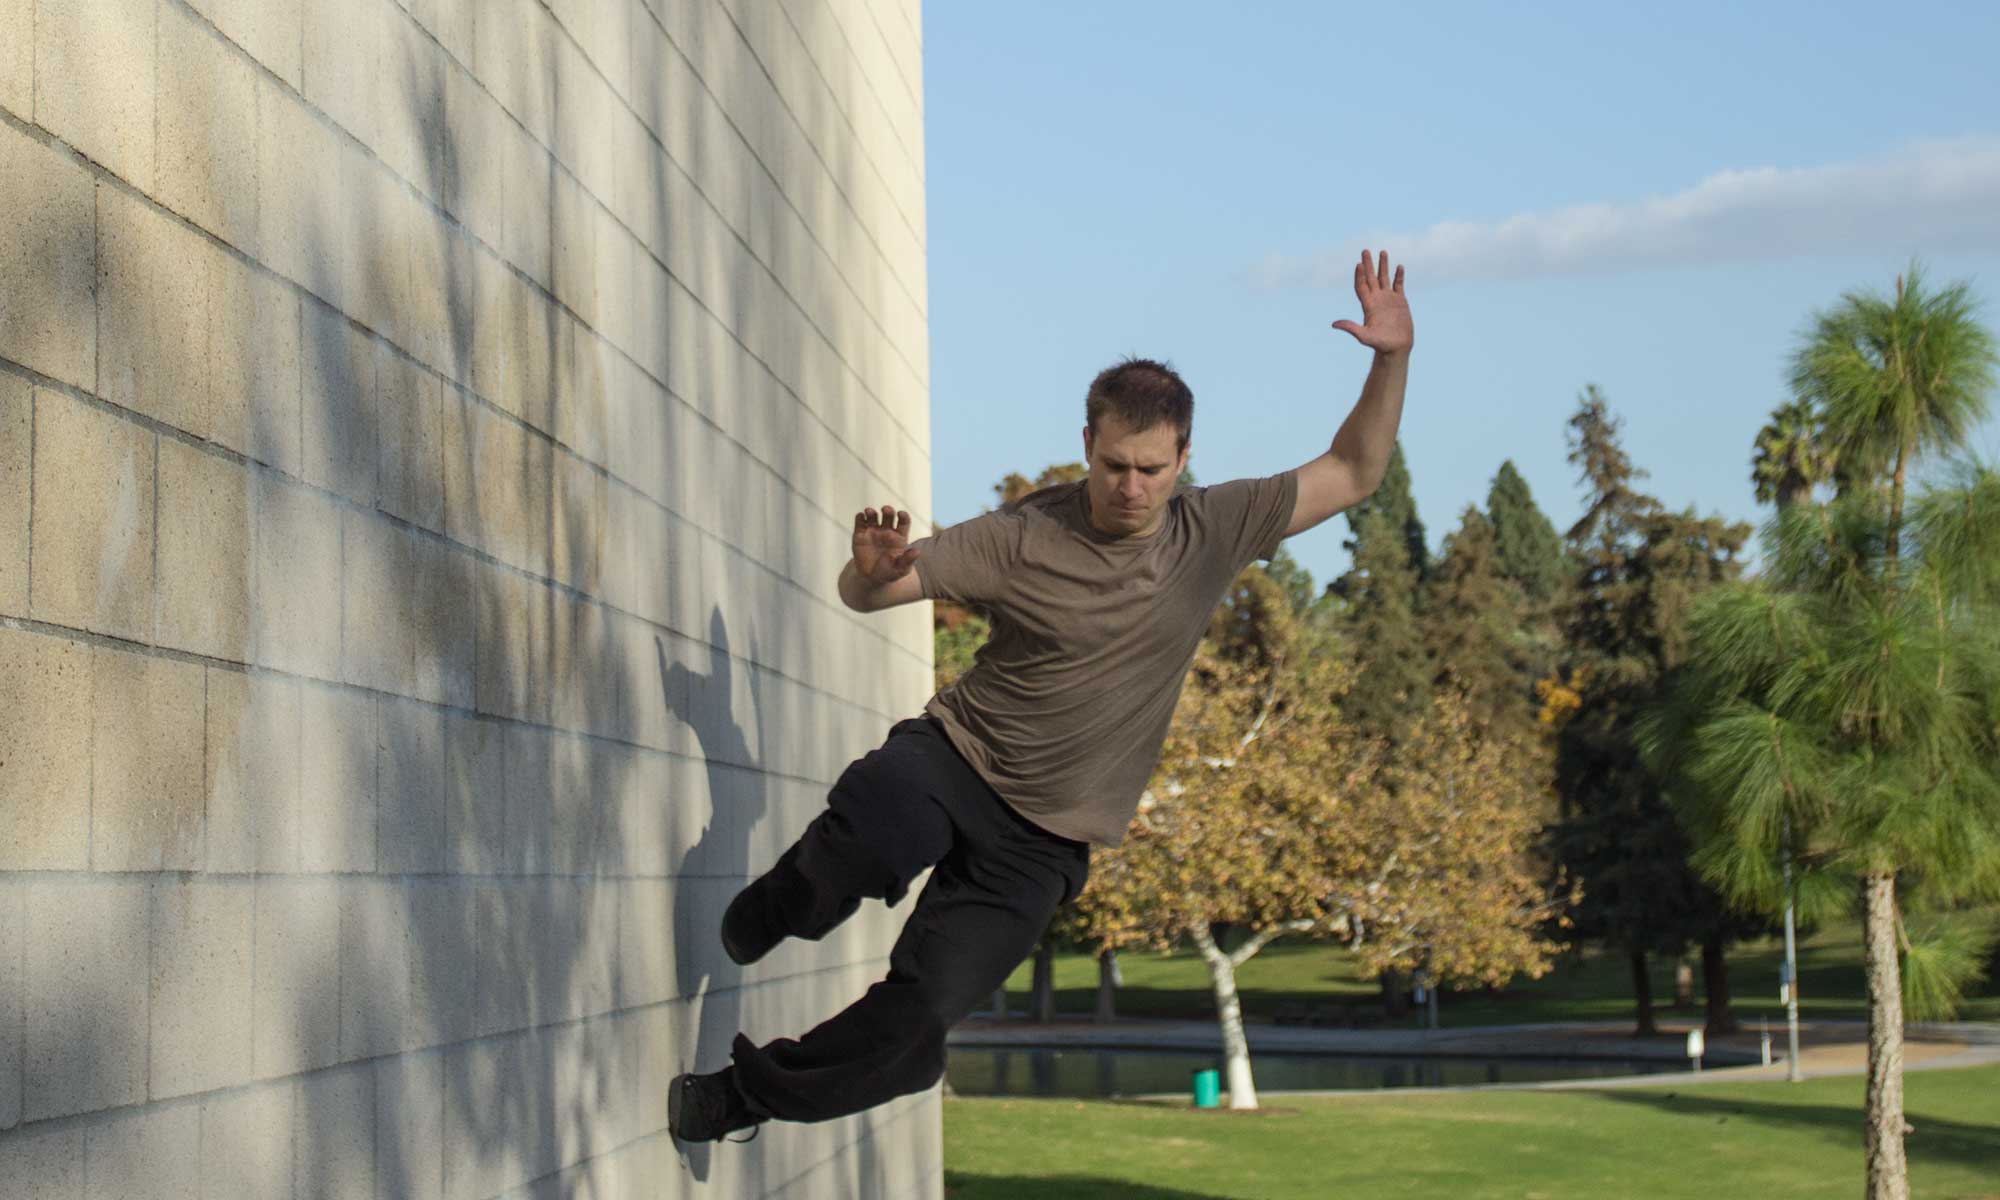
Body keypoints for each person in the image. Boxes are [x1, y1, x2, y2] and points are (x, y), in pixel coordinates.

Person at [668, 250, 1413, 1143]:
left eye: (1151, 469)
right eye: (1114, 464)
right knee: (876, 824)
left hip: (1047, 839)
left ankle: (740, 1098)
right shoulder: (1021, 537)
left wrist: (1391, 358)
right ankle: (785, 905)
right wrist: (866, 573)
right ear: (1087, 443)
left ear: (1184, 458)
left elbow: (1354, 470)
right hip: (956, 761)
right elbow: (872, 595)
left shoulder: (1215, 528)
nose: (1131, 487)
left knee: (918, 1023)